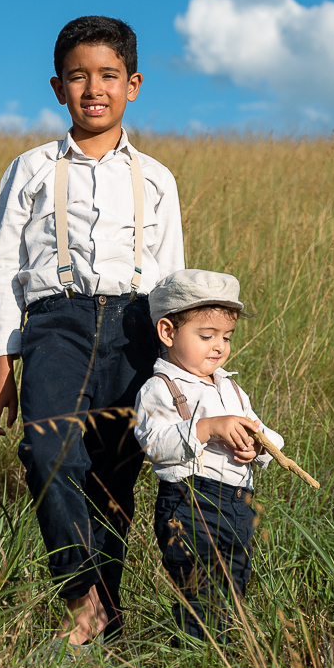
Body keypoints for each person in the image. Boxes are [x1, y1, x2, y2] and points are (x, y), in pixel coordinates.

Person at [0, 15, 185, 647]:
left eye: (108, 76)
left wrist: (177, 367)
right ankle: (79, 590)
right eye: (78, 77)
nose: (93, 88)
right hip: (55, 323)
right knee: (47, 452)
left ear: (134, 84)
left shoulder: (155, 177)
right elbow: (4, 268)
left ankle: (104, 626)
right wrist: (1, 363)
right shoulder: (31, 168)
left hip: (135, 326)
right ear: (57, 86)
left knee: (113, 474)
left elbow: (171, 274)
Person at [133, 269, 286, 645]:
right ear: (168, 333)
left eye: (226, 337)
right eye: (206, 336)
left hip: (238, 504)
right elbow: (153, 445)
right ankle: (192, 657)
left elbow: (268, 437)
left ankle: (219, 655)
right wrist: (205, 428)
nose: (218, 347)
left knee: (232, 588)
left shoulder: (231, 386)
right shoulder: (160, 388)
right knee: (200, 591)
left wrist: (257, 445)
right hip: (191, 503)